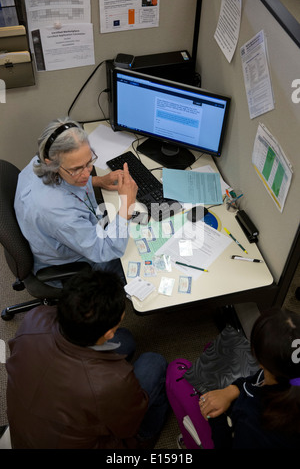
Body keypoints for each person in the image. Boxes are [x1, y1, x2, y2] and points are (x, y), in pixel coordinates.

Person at [5, 269, 169, 449]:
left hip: (27, 434)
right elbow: (125, 429)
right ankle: (145, 437)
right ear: (108, 333)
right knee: (154, 362)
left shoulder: (34, 318)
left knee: (125, 339)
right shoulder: (114, 380)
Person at [14, 117, 138, 279]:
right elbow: (106, 250)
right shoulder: (58, 212)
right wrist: (127, 206)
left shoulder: (41, 160)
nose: (86, 173)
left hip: (69, 233)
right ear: (51, 163)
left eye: (89, 162)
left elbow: (67, 182)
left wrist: (98, 180)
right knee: (135, 261)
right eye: (77, 169)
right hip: (72, 262)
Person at [167, 308, 300, 449]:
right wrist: (233, 389)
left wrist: (215, 417)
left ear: (258, 357)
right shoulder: (285, 375)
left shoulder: (251, 419)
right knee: (213, 349)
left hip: (229, 435)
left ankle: (190, 443)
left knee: (176, 369)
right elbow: (257, 379)